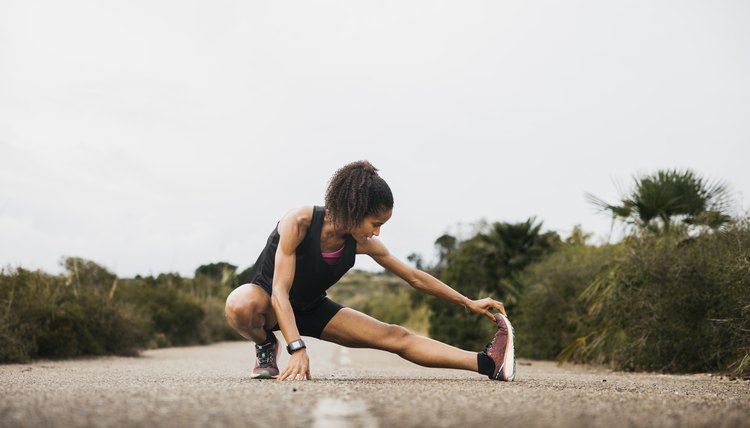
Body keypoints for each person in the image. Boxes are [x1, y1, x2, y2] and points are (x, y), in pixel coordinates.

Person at [225, 160, 515, 382]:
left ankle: (488, 363)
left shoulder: (364, 243)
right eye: (375, 223)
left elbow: (415, 278)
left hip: (310, 307)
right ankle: (265, 344)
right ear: (353, 209)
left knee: (396, 336)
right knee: (239, 303)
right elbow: (279, 291)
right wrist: (296, 347)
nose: (376, 232)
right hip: (268, 301)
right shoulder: (299, 222)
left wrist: (467, 301)